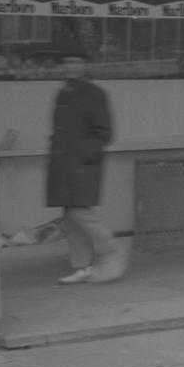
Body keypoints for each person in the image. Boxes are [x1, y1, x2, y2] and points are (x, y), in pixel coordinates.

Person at [46, 50, 128, 284]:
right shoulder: (62, 94)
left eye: (76, 61)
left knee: (78, 211)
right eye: (67, 60)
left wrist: (84, 152)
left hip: (82, 163)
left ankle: (112, 251)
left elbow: (104, 132)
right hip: (64, 163)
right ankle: (82, 266)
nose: (71, 66)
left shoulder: (94, 94)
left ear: (85, 66)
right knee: (70, 216)